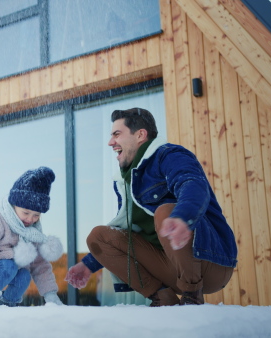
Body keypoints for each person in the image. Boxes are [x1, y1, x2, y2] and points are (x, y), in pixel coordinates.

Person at [65, 108, 237, 306]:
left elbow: (192, 184)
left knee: (165, 212)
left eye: (116, 134)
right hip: (167, 265)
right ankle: (162, 298)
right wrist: (88, 265)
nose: (111, 142)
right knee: (98, 236)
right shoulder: (127, 179)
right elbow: (127, 230)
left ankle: (192, 297)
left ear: (140, 135)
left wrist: (182, 217)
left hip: (209, 261)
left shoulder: (169, 155)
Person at [0, 167, 64, 307]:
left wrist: (50, 293)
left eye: (36, 215)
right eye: (26, 212)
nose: (30, 219)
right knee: (9, 266)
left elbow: (40, 265)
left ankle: (6, 306)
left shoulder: (33, 232)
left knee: (24, 276)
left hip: (8, 267)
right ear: (14, 205)